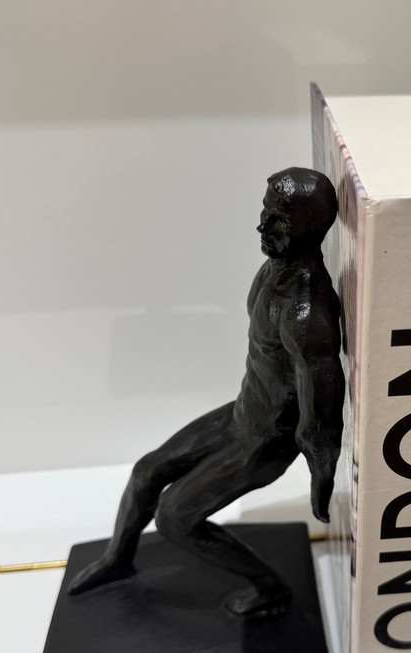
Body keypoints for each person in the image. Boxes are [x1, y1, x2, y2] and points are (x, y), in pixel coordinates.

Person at [69, 167, 345, 613]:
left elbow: (322, 412)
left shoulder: (306, 311)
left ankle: (270, 590)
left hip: (264, 442)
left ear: (311, 228)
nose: (263, 226)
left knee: (174, 518)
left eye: (279, 220)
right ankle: (117, 560)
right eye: (265, 212)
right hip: (241, 413)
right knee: (145, 472)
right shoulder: (273, 269)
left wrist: (321, 477)